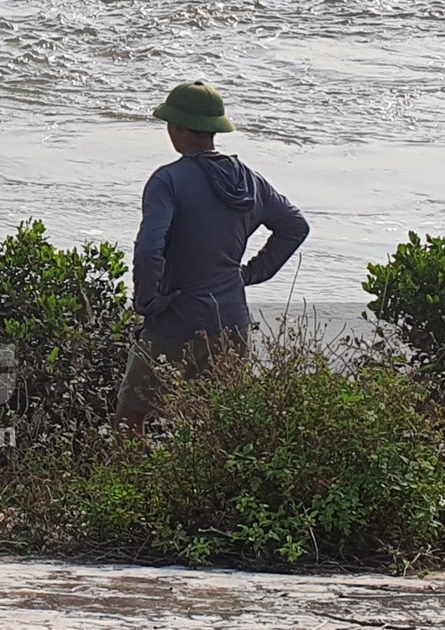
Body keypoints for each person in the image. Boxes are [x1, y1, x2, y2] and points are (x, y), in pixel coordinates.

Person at [116, 81, 309, 425]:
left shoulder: (167, 181)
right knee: (220, 424)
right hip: (232, 325)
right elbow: (295, 227)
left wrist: (146, 302)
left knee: (132, 418)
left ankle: (137, 480)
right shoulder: (250, 181)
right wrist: (248, 275)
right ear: (213, 131)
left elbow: (148, 250)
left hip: (175, 321)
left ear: (175, 128)